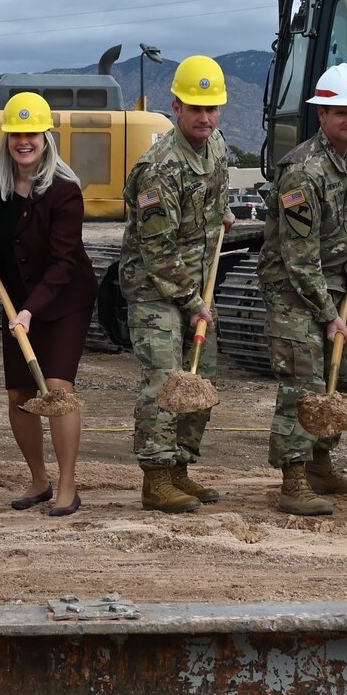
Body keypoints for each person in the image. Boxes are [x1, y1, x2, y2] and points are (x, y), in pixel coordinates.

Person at [260, 63, 347, 516]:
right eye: (342, 113)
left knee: (338, 380)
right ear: (322, 115)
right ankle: (293, 481)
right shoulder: (301, 173)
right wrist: (329, 316)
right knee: (303, 383)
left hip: (334, 279)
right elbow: (298, 256)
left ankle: (320, 466)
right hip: (293, 287)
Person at [0, 92, 96, 516]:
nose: (23, 141)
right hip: (18, 303)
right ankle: (38, 480)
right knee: (20, 394)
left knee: (57, 391)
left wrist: (31, 310)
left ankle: (67, 485)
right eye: (15, 134)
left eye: (31, 133)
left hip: (63, 301)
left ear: (46, 137)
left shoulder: (64, 191)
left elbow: (65, 262)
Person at [121, 53, 232, 514]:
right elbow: (158, 249)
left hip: (195, 285)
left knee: (198, 380)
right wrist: (191, 302)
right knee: (165, 382)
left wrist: (220, 213)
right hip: (157, 289)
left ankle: (182, 468)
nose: (205, 117)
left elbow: (216, 198)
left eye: (212, 107)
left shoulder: (217, 146)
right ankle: (157, 478)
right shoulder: (159, 168)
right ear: (176, 108)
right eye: (195, 107)